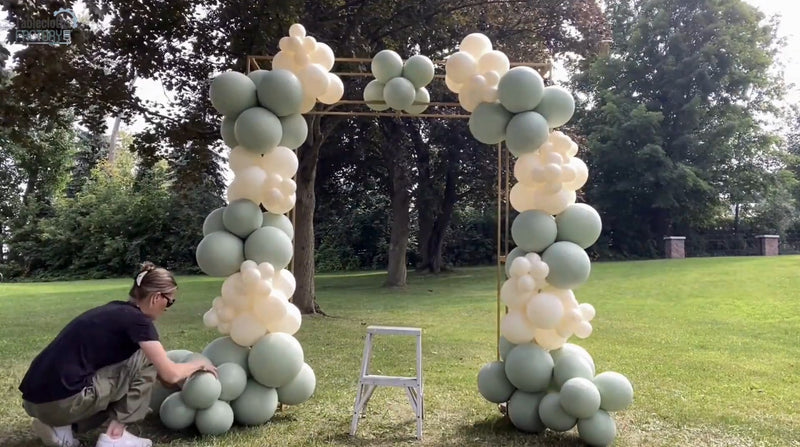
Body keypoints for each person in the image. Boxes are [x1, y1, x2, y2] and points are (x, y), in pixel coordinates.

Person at [19, 262, 217, 447]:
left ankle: (61, 428)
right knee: (147, 359)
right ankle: (115, 436)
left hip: (35, 401)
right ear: (156, 297)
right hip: (63, 403)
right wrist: (198, 364)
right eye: (170, 302)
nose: (167, 309)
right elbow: (169, 374)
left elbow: (162, 379)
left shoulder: (113, 310)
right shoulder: (139, 322)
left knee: (126, 377)